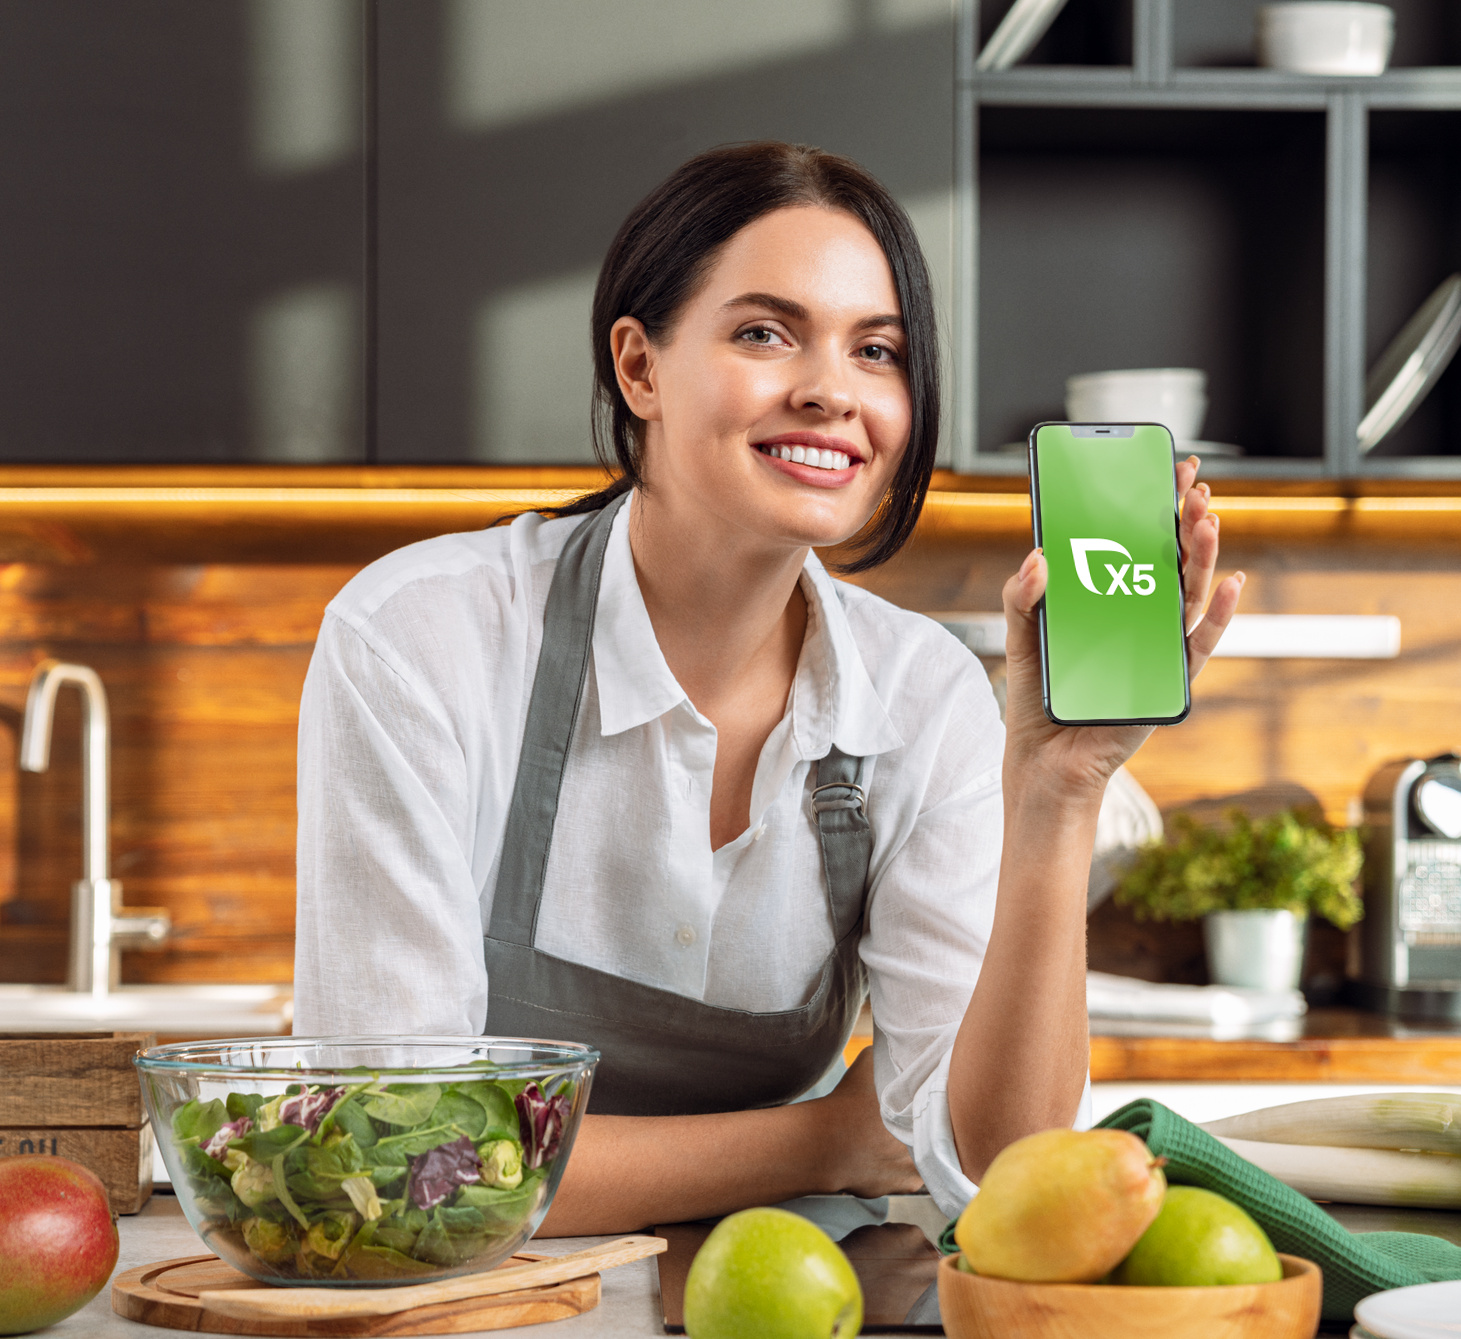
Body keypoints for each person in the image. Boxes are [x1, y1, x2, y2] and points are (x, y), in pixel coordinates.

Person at [293, 141, 1241, 1235]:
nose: (831, 391)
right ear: (639, 368)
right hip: (465, 1309)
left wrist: (1060, 786)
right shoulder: (424, 638)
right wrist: (826, 1136)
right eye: (763, 332)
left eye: (876, 350)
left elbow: (1000, 1165)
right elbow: (397, 1156)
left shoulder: (919, 695)